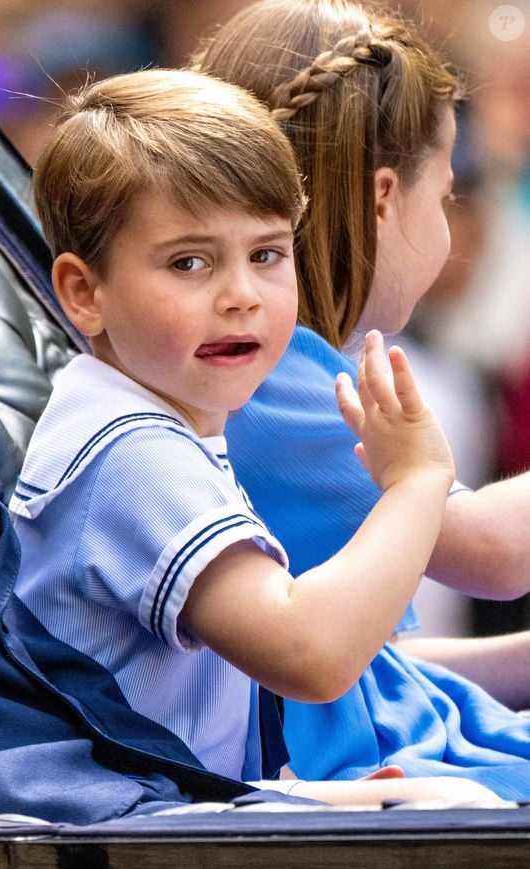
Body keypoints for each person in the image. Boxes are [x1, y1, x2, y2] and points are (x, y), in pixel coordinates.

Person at [6, 66, 496, 807]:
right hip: (141, 835)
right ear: (84, 292)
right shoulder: (133, 453)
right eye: (189, 262)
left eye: (266, 254)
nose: (240, 295)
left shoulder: (150, 419)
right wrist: (417, 482)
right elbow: (309, 651)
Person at [193, 0, 530, 800]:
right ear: (384, 198)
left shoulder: (291, 366)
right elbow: (497, 553)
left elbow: (367, 672)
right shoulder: (268, 380)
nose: (447, 227)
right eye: (444, 196)